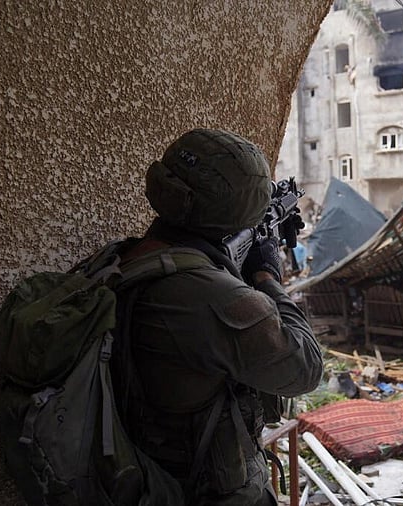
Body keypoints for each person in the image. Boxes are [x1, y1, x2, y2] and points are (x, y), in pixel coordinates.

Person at [117, 128, 323, 505]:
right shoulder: (209, 296)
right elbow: (305, 368)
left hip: (148, 476)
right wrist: (266, 276)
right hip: (207, 492)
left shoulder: (130, 257)